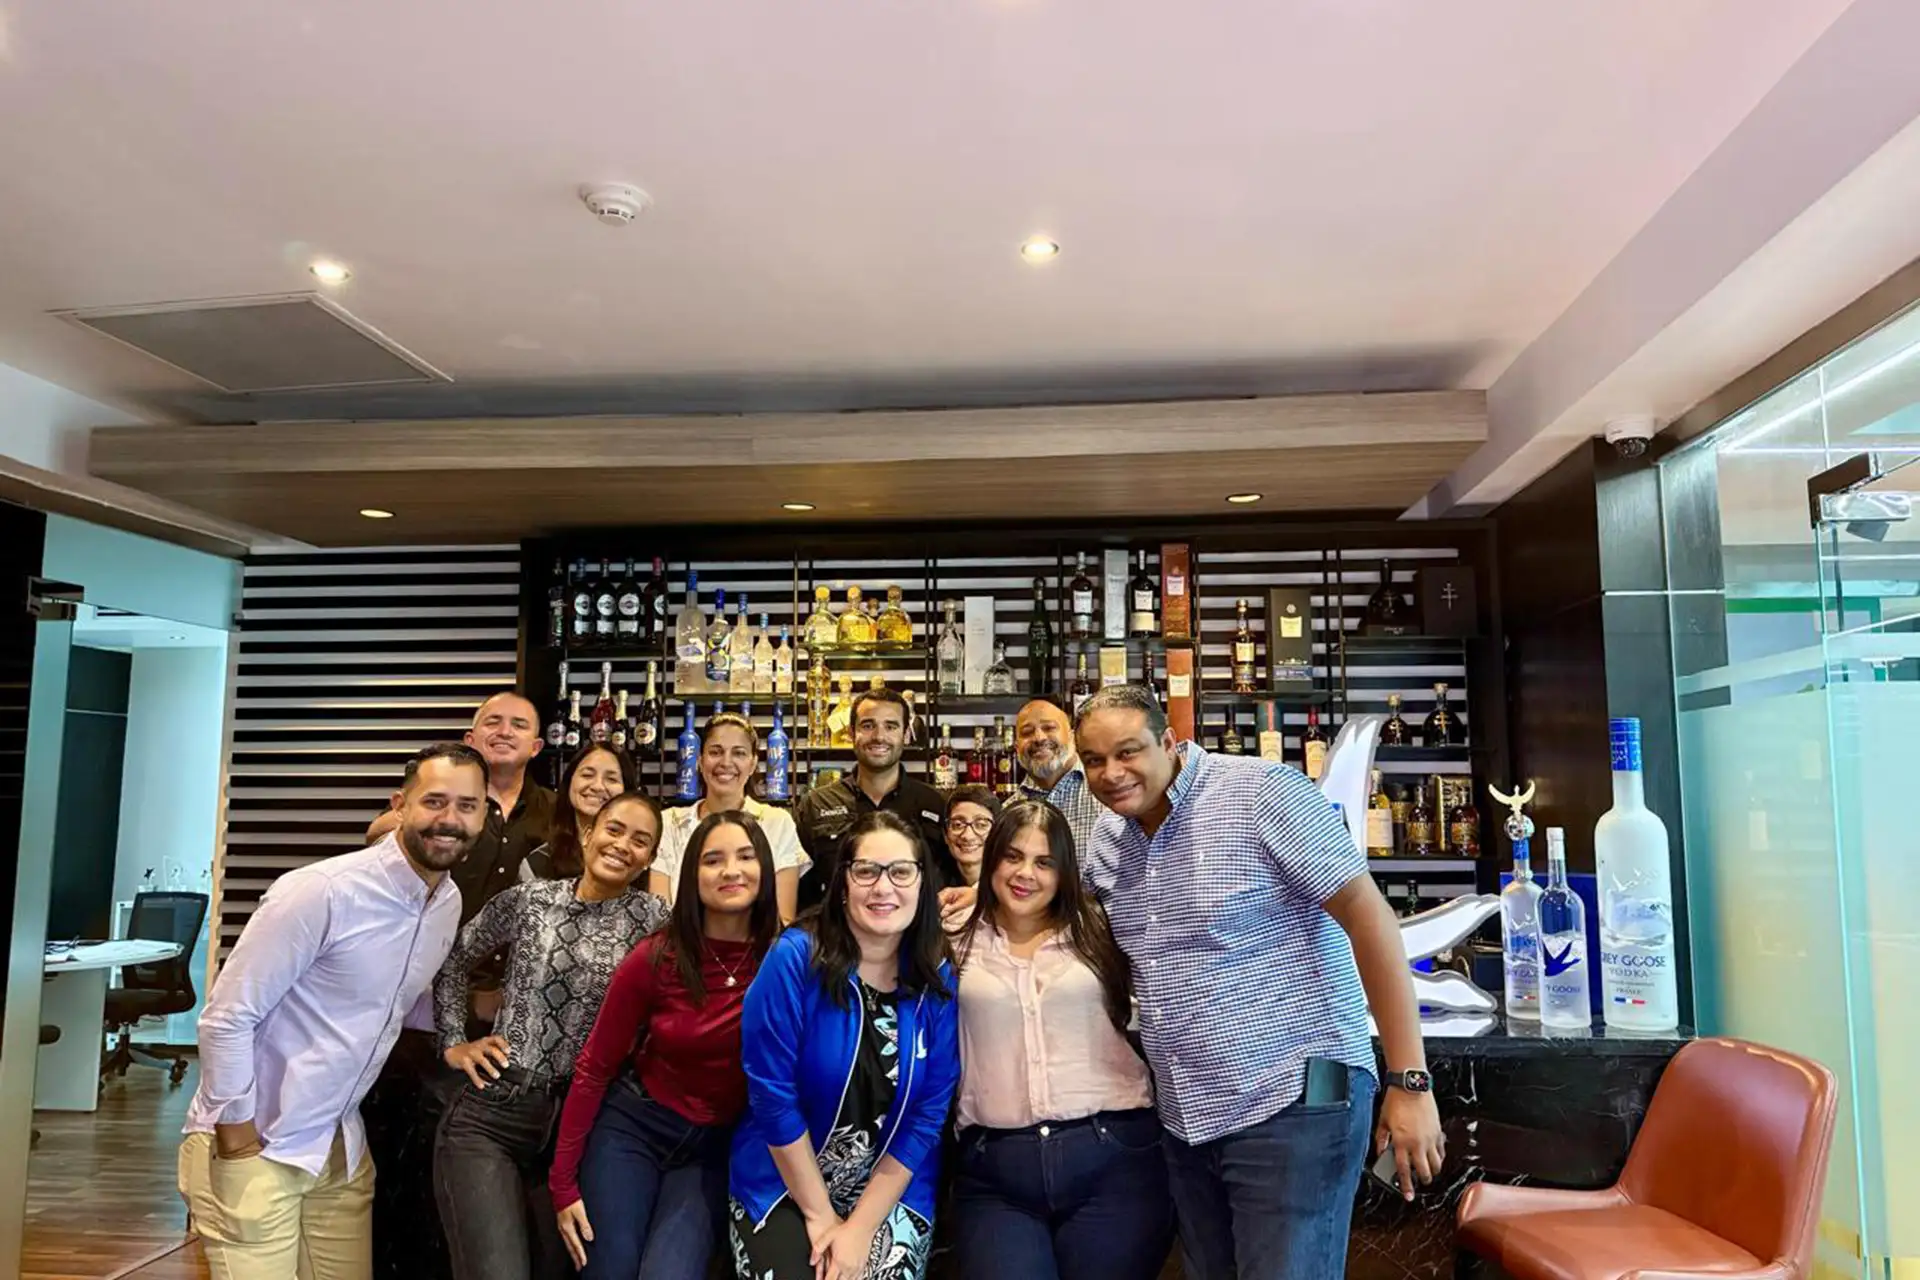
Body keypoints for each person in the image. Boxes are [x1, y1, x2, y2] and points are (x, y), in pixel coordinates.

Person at [1071, 684, 1444, 1279]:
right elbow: (1068, 927)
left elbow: (1369, 919)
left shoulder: (1260, 792)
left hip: (1298, 1098)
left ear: (1169, 741)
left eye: (1128, 751)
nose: (1112, 773)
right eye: (1094, 760)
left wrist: (1410, 1081)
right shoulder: (1109, 841)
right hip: (1187, 1117)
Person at [178, 743, 487, 1280]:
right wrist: (237, 1138)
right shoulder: (321, 891)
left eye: (467, 806)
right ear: (399, 805)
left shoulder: (446, 902)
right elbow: (227, 1017)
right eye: (434, 801)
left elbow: (395, 1000)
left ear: (484, 815)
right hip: (259, 1143)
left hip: (339, 1147)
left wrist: (461, 1032)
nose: (449, 819)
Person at [430, 791, 671, 1280]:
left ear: (649, 858)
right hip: (494, 1113)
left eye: (640, 840)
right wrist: (453, 1040)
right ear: (588, 834)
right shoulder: (532, 899)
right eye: (614, 829)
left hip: (582, 1127)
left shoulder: (655, 920)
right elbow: (452, 960)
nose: (622, 845)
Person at [359, 692, 555, 1280]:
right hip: (422, 1007)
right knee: (407, 1160)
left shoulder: (554, 812)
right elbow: (382, 837)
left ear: (537, 746)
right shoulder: (443, 813)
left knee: (484, 1175)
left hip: (508, 1021)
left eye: (518, 725)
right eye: (491, 721)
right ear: (471, 738)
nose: (504, 731)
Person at [551, 811, 784, 1280]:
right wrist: (562, 1186)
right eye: (713, 860)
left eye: (746, 856)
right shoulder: (656, 956)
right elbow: (595, 1066)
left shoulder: (786, 957)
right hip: (633, 1127)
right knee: (609, 1270)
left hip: (714, 1149)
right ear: (691, 874)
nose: (731, 871)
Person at [728, 810, 961, 1280]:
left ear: (922, 882)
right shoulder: (796, 957)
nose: (883, 888)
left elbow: (928, 1114)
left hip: (889, 1190)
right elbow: (771, 1095)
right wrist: (820, 1216)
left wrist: (859, 1228)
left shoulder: (936, 974)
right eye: (866, 871)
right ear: (842, 883)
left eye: (901, 872)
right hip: (785, 1179)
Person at [948, 800, 1172, 1280]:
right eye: (1012, 856)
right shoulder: (952, 938)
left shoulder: (1100, 928)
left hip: (1113, 1153)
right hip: (995, 1165)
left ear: (1064, 870)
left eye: (1044, 862)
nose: (1025, 873)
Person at [793, 686, 953, 909]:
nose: (879, 736)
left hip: (918, 931)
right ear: (851, 733)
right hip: (836, 930)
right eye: (868, 726)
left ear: (906, 735)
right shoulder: (816, 804)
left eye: (891, 726)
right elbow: (798, 892)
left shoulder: (936, 805)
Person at [649, 710, 809, 921]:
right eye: (715, 752)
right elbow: (660, 918)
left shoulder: (777, 823)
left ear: (753, 764)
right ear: (700, 761)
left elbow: (783, 920)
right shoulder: (669, 823)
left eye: (739, 753)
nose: (726, 762)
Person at [523, 743, 636, 881]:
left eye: (611, 779)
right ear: (569, 782)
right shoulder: (539, 861)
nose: (597, 786)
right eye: (587, 775)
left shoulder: (639, 857)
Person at [1013, 698, 1105, 854]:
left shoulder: (1105, 793)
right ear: (1017, 747)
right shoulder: (1009, 810)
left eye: (1049, 727)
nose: (1039, 738)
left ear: (1072, 737)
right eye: (1027, 732)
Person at [937, 785, 1000, 933]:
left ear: (998, 833)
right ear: (946, 835)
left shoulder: (1007, 889)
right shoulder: (933, 886)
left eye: (981, 825)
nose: (967, 835)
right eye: (958, 825)